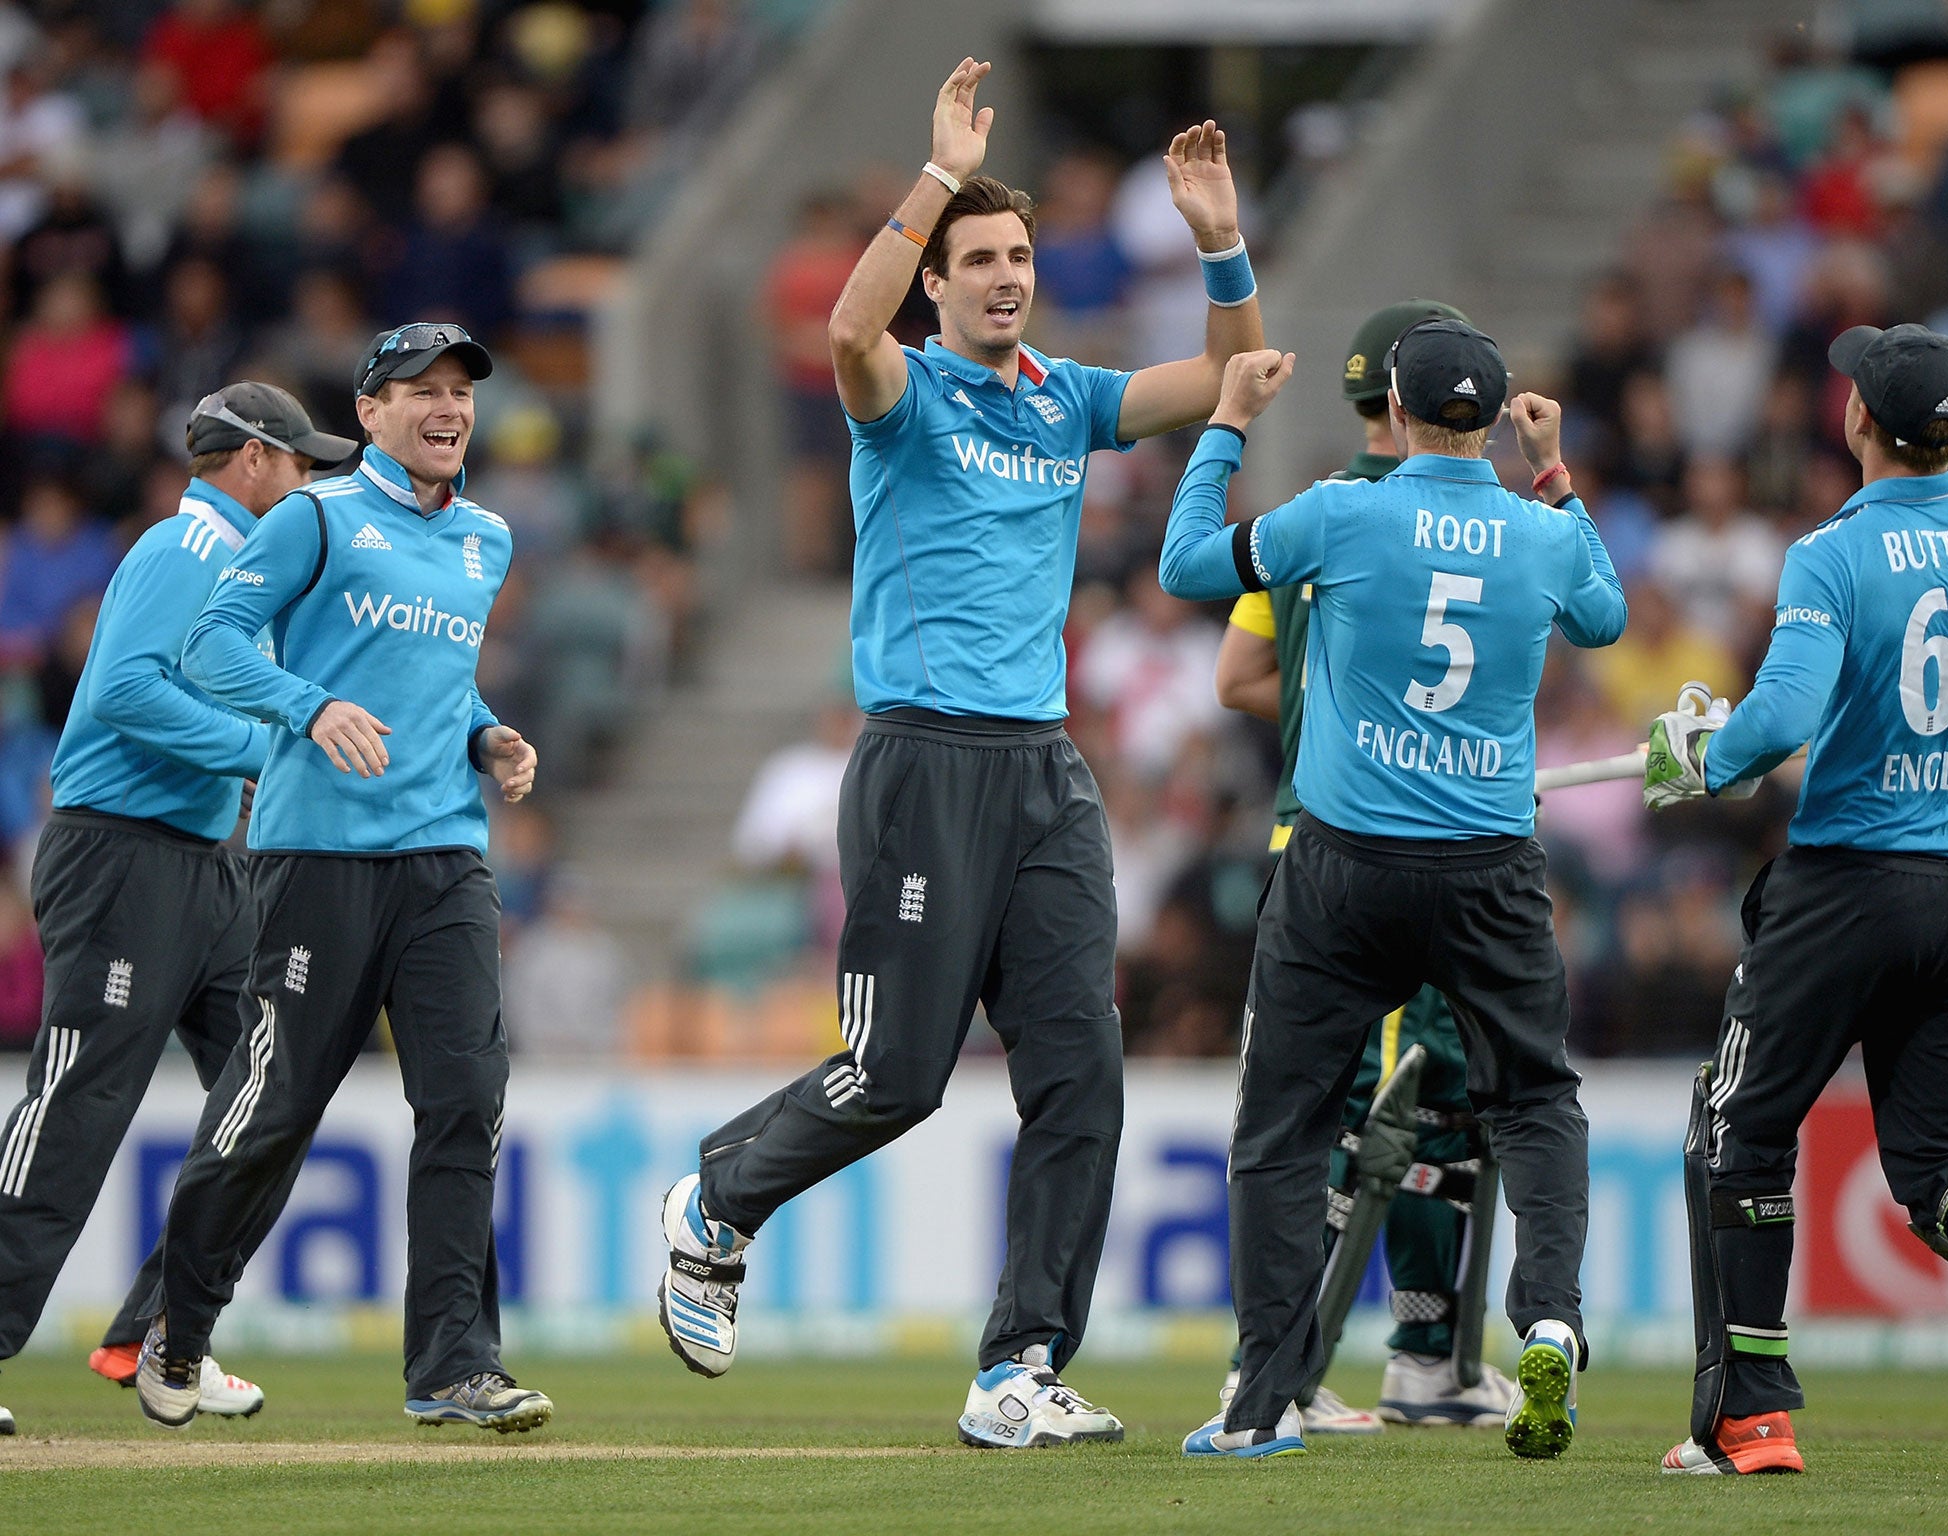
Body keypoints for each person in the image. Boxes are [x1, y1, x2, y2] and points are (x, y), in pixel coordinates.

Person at [655, 56, 1263, 1448]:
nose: (1004, 276)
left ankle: (1016, 1371)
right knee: (898, 1075)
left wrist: (1219, 239)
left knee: (1081, 1080)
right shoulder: (907, 392)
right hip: (924, 761)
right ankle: (716, 1201)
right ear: (936, 280)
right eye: (977, 258)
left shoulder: (1066, 397)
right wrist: (933, 174)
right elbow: (844, 334)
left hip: (1045, 773)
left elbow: (1237, 374)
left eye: (1019, 255)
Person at [1157, 323, 1626, 1459]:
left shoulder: (1342, 512)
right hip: (1487, 869)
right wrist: (1552, 473)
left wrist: (1223, 423)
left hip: (1344, 865)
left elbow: (1181, 564)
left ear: (1396, 414)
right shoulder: (1537, 532)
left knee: (1282, 1127)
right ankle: (1548, 1319)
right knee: (1533, 1102)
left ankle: (1261, 1400)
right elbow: (1604, 617)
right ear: (1496, 412)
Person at [1645, 324, 1948, 1476]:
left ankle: (1748, 1418)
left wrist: (1698, 756)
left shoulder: (1833, 552)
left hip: (1851, 885)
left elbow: (1776, 722)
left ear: (1855, 421)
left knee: (1736, 1131)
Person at [135, 323, 549, 1435]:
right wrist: (306, 707)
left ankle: (452, 1367)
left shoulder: (486, 538)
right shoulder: (315, 518)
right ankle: (176, 1326)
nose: (447, 407)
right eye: (420, 389)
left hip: (446, 859)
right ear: (367, 412)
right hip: (318, 861)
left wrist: (484, 736)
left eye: (459, 391)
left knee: (465, 1100)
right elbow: (212, 645)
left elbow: (432, 678)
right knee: (273, 1110)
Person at [0, 383, 352, 1437]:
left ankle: (163, 1336)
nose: (304, 485)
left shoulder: (239, 572)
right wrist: (267, 752)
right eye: (295, 465)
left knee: (276, 1091)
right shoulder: (180, 550)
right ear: (249, 459)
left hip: (201, 867)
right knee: (79, 1104)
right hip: (120, 858)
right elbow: (125, 694)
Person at [1209, 299, 1515, 1434]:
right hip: (1406, 841)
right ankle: (1317, 1368)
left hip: (1310, 831)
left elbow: (1238, 676)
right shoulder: (1436, 519)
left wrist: (1317, 714)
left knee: (1333, 1106)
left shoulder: (1310, 512)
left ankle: (1400, 1363)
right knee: (1400, 1105)